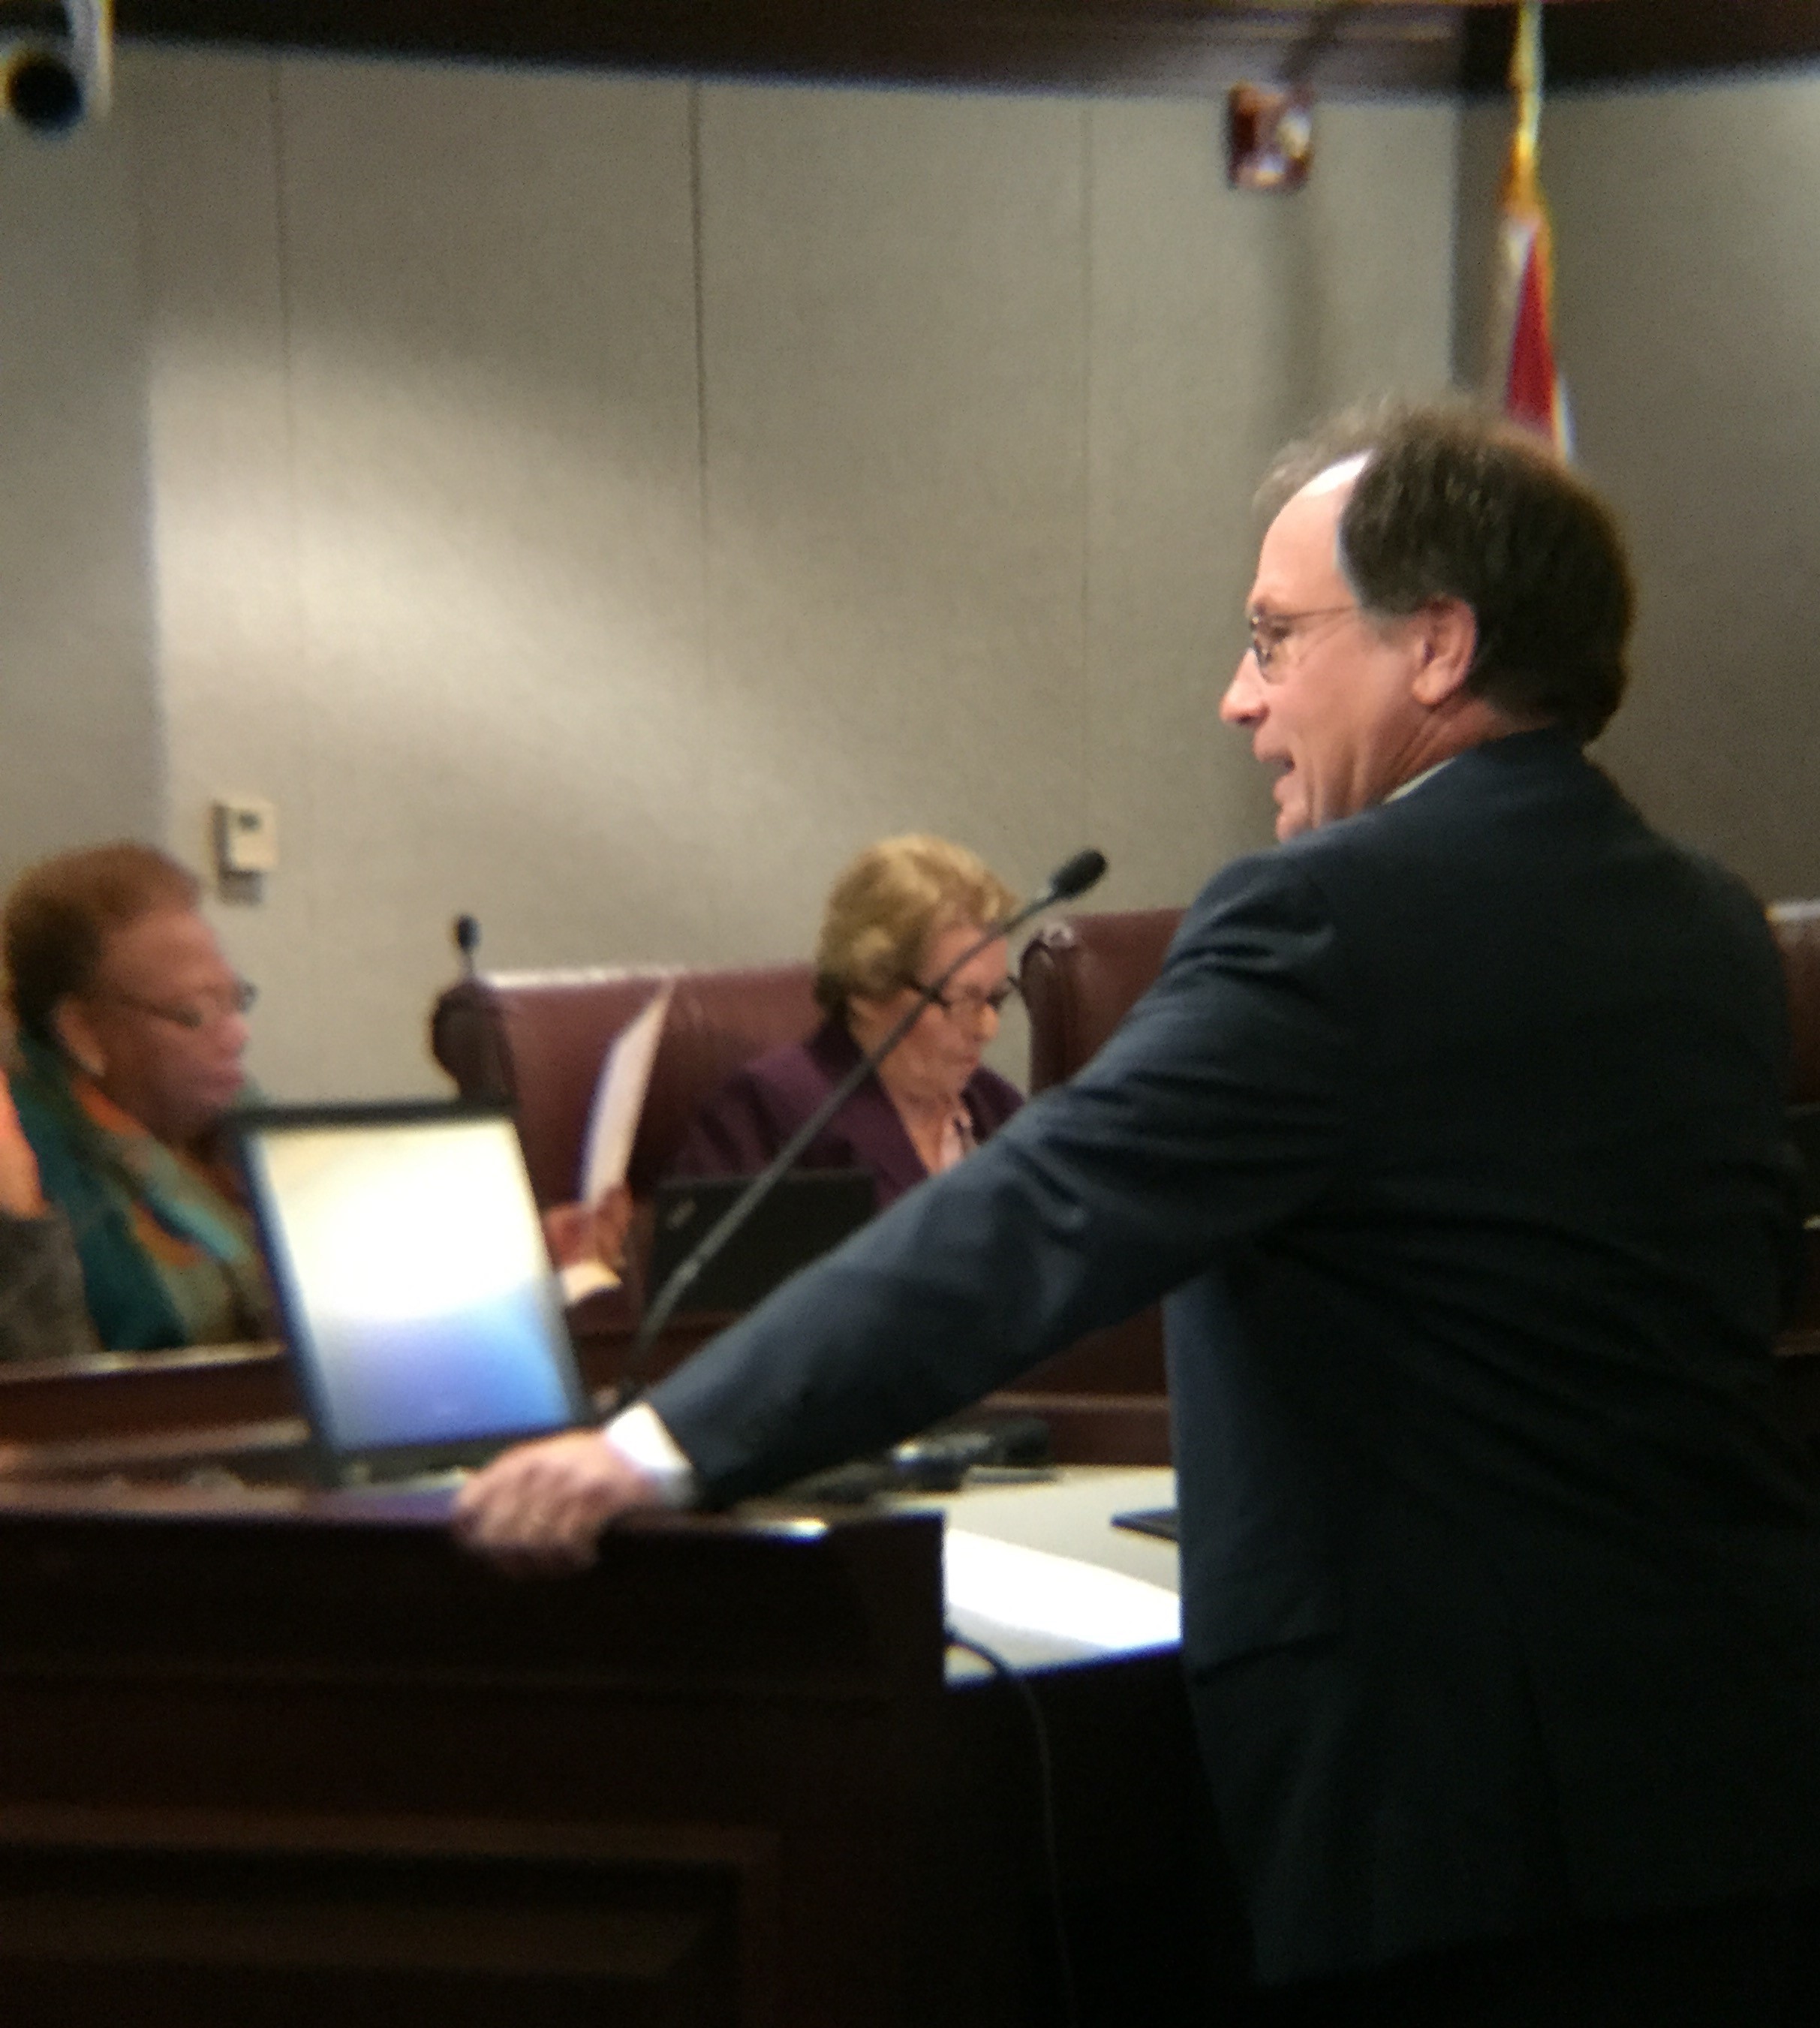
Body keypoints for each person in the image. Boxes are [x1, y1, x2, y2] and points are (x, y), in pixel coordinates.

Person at [456, 403, 1820, 2021]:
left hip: (1449, 1824)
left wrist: (656, 1446)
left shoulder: (1326, 919)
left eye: (1273, 638)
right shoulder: (1711, 924)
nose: (1238, 697)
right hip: (1730, 1775)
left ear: (1437, 645)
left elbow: (1038, 1210)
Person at [4, 842, 273, 1351]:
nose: (238, 1035)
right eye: (194, 1013)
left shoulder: (242, 1120)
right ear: (82, 1031)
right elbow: (62, 1401)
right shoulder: (31, 1168)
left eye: (234, 1001)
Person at [667, 833, 1024, 1208]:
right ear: (870, 988)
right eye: (962, 1000)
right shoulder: (770, 1113)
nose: (988, 1028)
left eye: (995, 998)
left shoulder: (996, 1108)